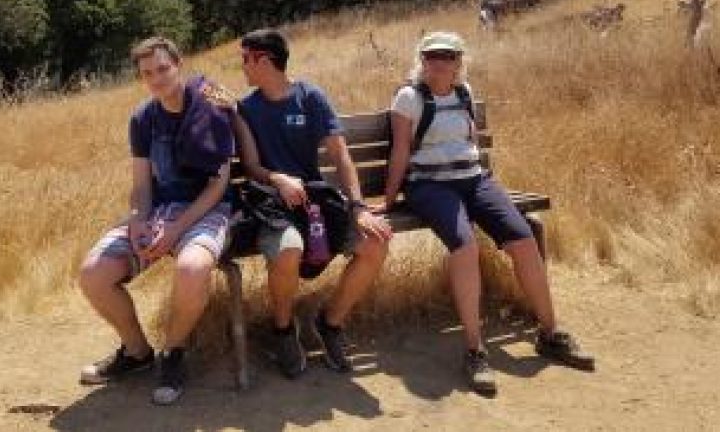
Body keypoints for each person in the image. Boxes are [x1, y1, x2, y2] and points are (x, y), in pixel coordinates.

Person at [380, 31, 594, 396]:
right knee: (464, 247)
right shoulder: (409, 97)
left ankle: (550, 333)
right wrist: (387, 202)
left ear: (459, 62)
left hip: (474, 180)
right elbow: (400, 151)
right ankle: (475, 350)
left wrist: (482, 180)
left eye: (447, 56)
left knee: (524, 238)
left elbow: (471, 141)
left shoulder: (464, 92)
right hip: (430, 186)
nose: (438, 62)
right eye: (431, 56)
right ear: (422, 60)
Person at [78, 37, 234, 405]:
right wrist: (138, 220)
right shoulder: (143, 119)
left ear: (179, 64)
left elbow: (217, 186)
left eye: (163, 68)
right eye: (147, 73)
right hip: (159, 211)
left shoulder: (211, 106)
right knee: (93, 274)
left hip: (206, 210)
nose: (157, 78)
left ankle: (173, 353)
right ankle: (136, 353)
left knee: (193, 269)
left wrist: (177, 231)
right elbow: (142, 185)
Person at [236, 28, 392, 378]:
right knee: (288, 248)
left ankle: (330, 323)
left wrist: (359, 207)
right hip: (271, 204)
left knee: (376, 243)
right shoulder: (246, 109)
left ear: (263, 59)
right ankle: (282, 329)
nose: (242, 66)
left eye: (245, 59)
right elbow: (250, 167)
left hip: (316, 202)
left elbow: (341, 156)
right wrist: (278, 178)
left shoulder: (310, 97)